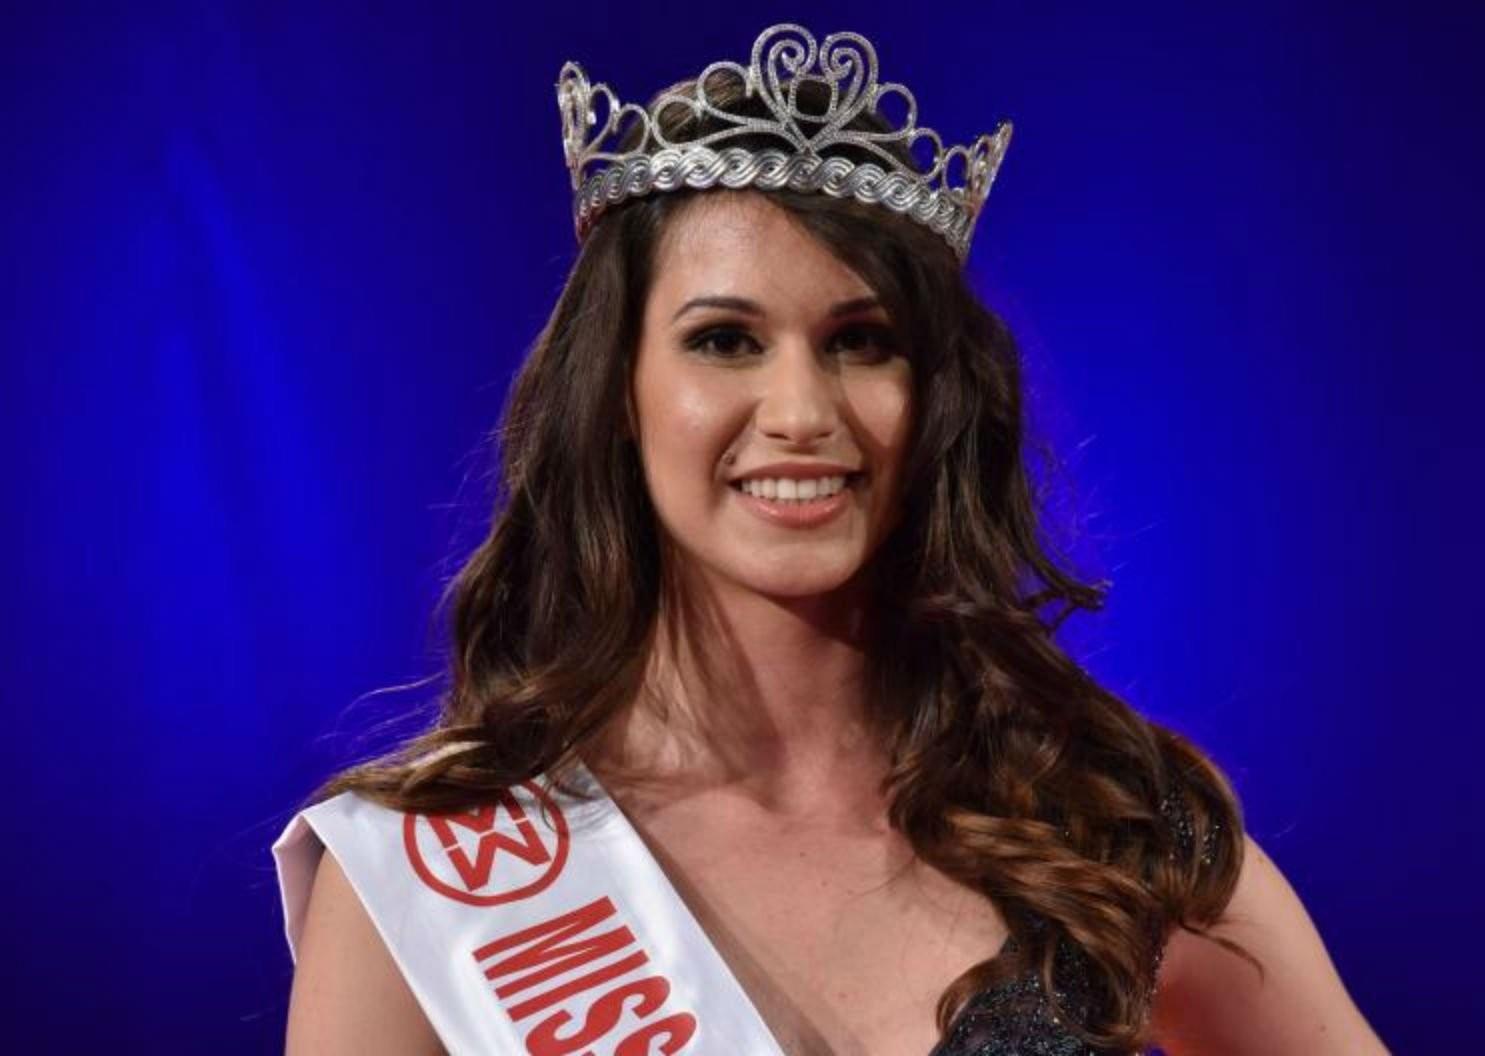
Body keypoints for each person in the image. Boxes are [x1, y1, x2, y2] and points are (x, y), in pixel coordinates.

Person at [275, 22, 1388, 1056]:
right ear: (616, 391)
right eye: (724, 340)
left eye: (863, 342)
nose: (803, 412)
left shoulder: (1111, 818)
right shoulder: (435, 873)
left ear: (936, 394)